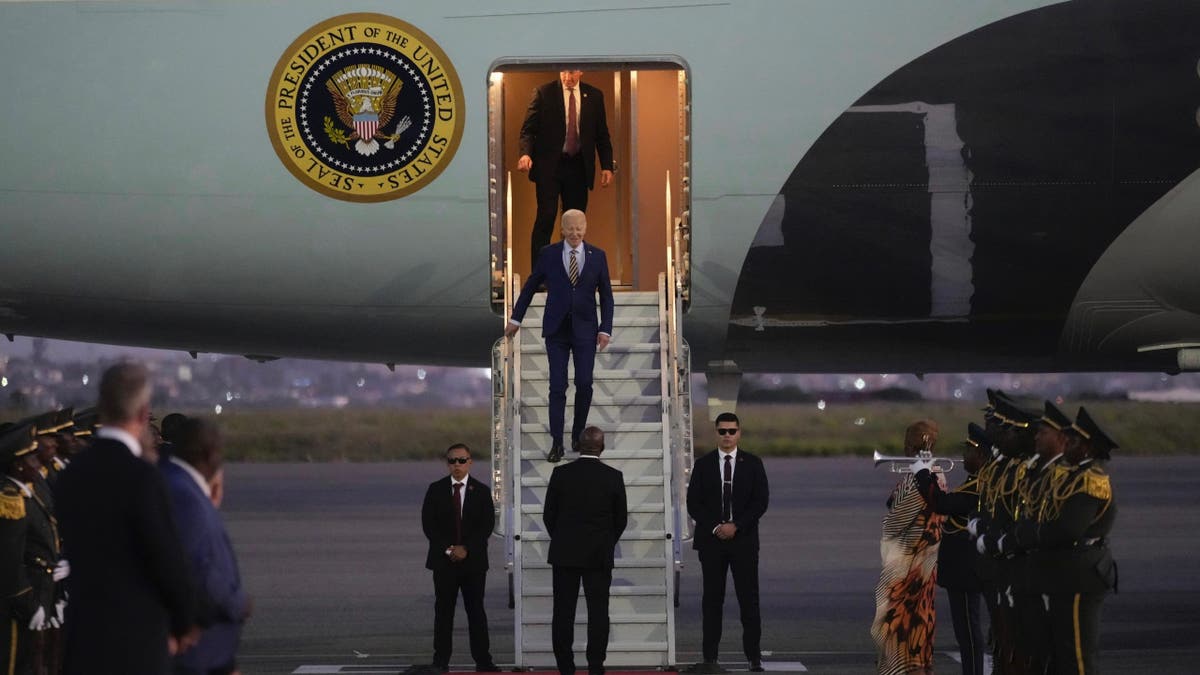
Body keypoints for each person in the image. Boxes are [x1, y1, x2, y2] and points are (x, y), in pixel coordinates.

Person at [53, 362, 200, 675]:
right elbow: (165, 557)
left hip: (83, 630)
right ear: (143, 411)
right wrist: (185, 621)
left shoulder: (70, 474)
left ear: (103, 406)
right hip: (137, 635)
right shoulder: (146, 476)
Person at [1011, 407, 1117, 675]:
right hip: (1065, 574)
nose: (1066, 446)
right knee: (1060, 653)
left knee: (1077, 657)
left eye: (1072, 442)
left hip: (1081, 573)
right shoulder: (1071, 476)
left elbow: (1067, 529)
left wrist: (1030, 535)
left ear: (1087, 448)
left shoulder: (1090, 480)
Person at [504, 209, 614, 463]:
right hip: (557, 330)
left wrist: (605, 328)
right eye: (570, 229)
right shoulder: (549, 254)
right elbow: (531, 286)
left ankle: (577, 435)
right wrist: (515, 319)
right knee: (557, 386)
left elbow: (606, 295)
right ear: (562, 230)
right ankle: (556, 442)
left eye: (579, 228)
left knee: (584, 384)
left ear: (585, 228)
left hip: (586, 330)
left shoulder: (597, 256)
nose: (574, 233)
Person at [161, 418, 251, 675]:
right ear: (211, 454)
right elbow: (195, 568)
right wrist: (236, 602)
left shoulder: (181, 486)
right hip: (197, 655)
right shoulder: (184, 495)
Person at [685, 413, 770, 673]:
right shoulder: (704, 464)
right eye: (722, 431)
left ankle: (754, 657)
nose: (727, 436)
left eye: (731, 431)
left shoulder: (753, 464)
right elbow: (693, 503)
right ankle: (710, 657)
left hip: (743, 541)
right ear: (716, 433)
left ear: (739, 433)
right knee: (712, 600)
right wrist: (716, 527)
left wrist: (737, 526)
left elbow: (760, 501)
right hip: (712, 542)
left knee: (749, 600)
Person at [543, 426, 627, 675]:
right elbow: (620, 519)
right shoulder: (613, 476)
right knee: (598, 613)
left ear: (578, 445)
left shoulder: (561, 474)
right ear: (602, 446)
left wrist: (562, 539)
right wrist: (606, 542)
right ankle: (595, 665)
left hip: (564, 553)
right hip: (599, 554)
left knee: (563, 613)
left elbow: (549, 516)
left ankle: (566, 667)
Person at [913, 424, 989, 675]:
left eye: (969, 451)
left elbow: (941, 503)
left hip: (968, 571)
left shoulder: (979, 486)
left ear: (980, 456)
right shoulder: (975, 483)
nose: (964, 456)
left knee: (969, 633)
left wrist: (923, 473)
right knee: (966, 633)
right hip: (962, 571)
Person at [517, 69, 614, 262]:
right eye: (564, 73)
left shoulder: (594, 96)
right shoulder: (544, 93)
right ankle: (541, 274)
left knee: (575, 222)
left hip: (578, 166)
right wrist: (525, 154)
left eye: (572, 73)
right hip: (549, 166)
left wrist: (606, 166)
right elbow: (528, 130)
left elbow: (601, 134)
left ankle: (572, 270)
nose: (568, 78)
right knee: (546, 216)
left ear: (581, 72)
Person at [418, 443, 499, 674]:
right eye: (452, 461)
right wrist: (449, 549)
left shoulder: (481, 491)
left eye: (462, 460)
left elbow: (486, 525)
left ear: (470, 462)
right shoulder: (435, 489)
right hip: (444, 563)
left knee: (476, 612)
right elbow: (429, 525)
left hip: (473, 563)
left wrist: (466, 549)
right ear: (447, 463)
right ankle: (441, 661)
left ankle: (483, 661)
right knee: (443, 613)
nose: (457, 465)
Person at [870, 419, 942, 675]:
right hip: (923, 568)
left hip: (907, 571)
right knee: (918, 638)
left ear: (912, 446)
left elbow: (893, 523)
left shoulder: (919, 482)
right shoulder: (937, 478)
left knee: (902, 639)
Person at [1, 424, 38, 675]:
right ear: (18, 465)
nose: (37, 464)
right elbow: (9, 557)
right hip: (12, 602)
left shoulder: (20, 492)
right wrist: (27, 601)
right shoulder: (9, 498)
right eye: (31, 458)